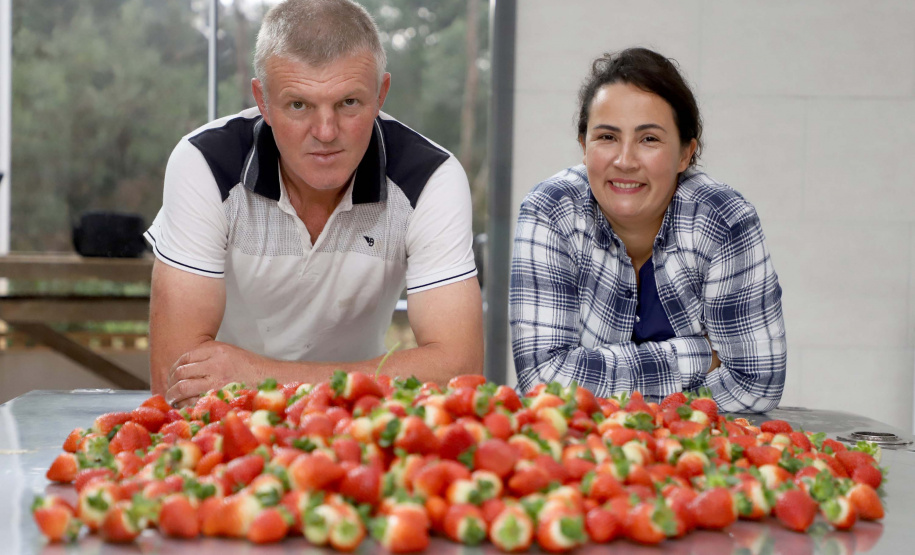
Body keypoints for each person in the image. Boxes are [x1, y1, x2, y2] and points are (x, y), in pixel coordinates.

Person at [145, 0, 483, 406]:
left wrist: (260, 377)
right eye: (299, 105)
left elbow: (460, 368)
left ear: (381, 95)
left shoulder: (430, 177)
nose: (325, 132)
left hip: (359, 428)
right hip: (224, 427)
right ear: (263, 100)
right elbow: (175, 382)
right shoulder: (204, 163)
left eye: (349, 103)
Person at [510, 47, 785, 413]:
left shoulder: (724, 221)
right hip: (571, 449)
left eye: (649, 139)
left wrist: (592, 375)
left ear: (686, 154)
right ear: (583, 146)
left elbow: (758, 382)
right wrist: (700, 354)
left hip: (695, 452)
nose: (625, 161)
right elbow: (544, 380)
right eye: (607, 137)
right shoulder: (551, 210)